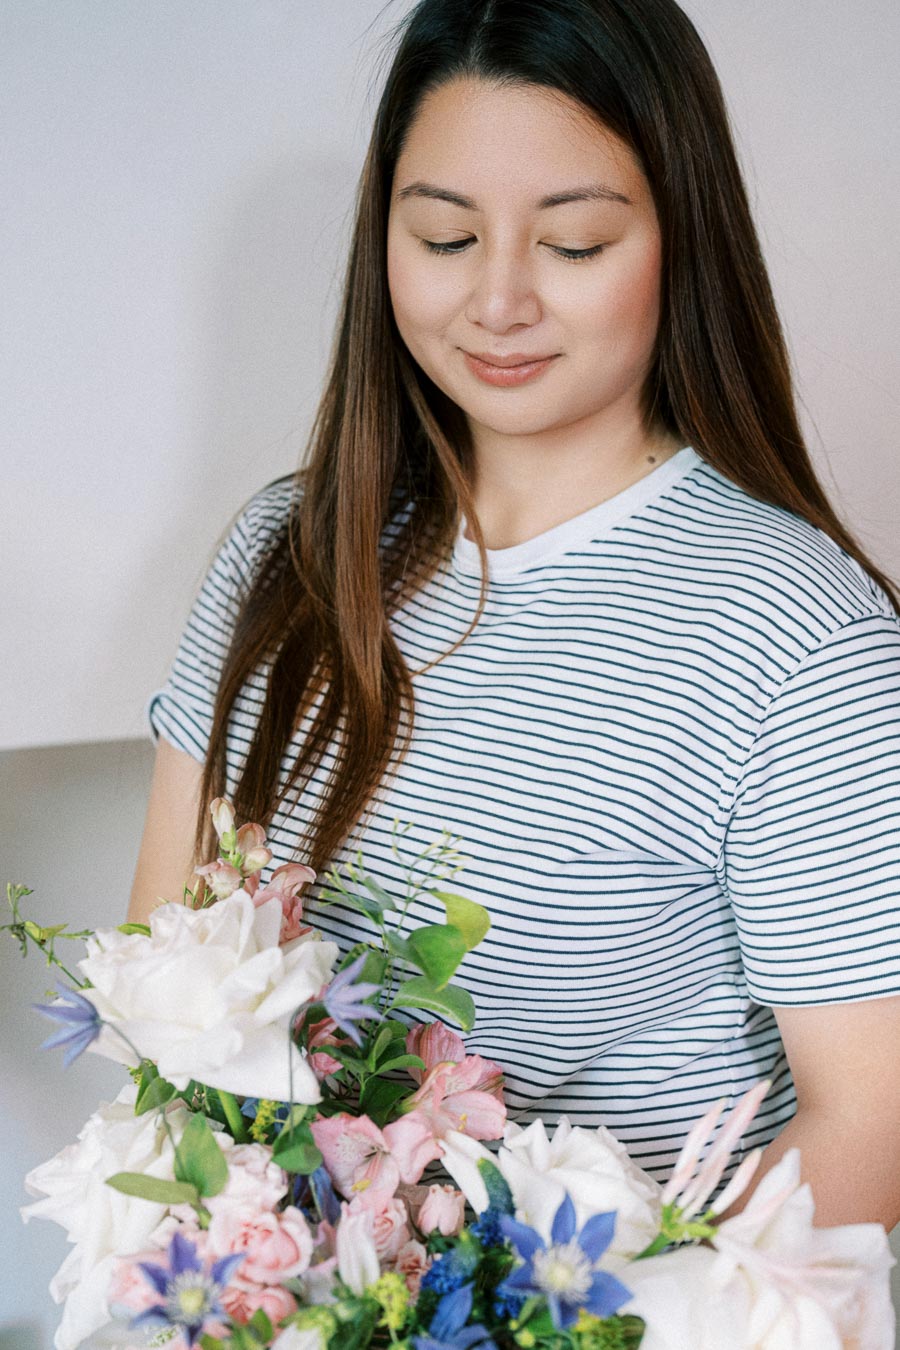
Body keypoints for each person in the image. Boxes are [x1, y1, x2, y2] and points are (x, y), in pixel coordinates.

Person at [128, 0, 900, 1231]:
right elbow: (161, 996)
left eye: (574, 244)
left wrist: (582, 1308)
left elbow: (872, 1121)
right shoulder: (284, 554)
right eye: (442, 235)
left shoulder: (796, 636)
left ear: (679, 238)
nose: (497, 301)